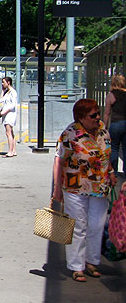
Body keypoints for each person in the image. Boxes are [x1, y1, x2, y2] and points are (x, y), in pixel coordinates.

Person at [52, 98, 116, 282]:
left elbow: (105, 155)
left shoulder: (103, 130)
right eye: (93, 115)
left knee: (96, 225)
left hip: (100, 186)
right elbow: (59, 160)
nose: (97, 118)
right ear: (81, 117)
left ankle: (92, 261)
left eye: (97, 113)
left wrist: (111, 172)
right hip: (75, 187)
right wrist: (57, 188)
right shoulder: (70, 134)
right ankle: (76, 266)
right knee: (78, 226)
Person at [103, 74, 126, 175]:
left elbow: (107, 112)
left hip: (116, 124)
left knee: (114, 147)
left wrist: (104, 126)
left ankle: (114, 172)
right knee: (125, 148)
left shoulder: (111, 95)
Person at [0, 76, 18, 157]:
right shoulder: (7, 92)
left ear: (8, 82)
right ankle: (13, 150)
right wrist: (2, 91)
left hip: (10, 115)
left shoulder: (13, 92)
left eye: (4, 82)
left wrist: (3, 112)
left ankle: (10, 151)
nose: (3, 84)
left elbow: (12, 106)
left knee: (8, 133)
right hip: (6, 115)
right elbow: (0, 100)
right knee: (11, 133)